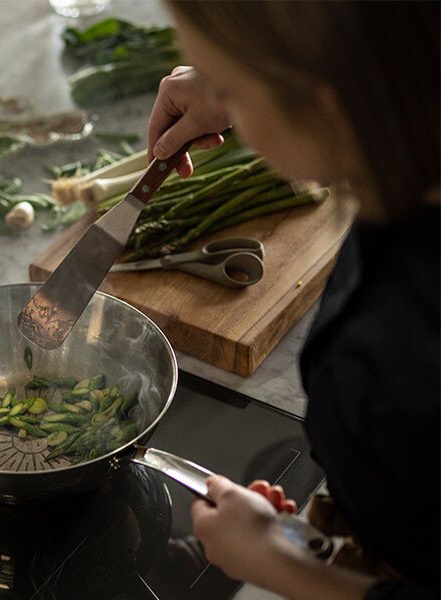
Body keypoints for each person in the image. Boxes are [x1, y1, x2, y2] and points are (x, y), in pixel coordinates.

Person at [145, 2, 440, 599]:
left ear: (330, 105)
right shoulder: (410, 145)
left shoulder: (405, 354)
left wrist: (275, 564)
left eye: (231, 89)